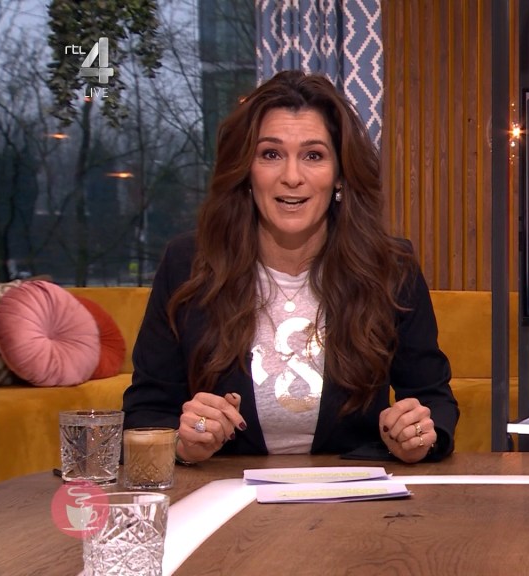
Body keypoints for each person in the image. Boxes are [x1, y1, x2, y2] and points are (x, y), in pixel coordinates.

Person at [123, 70, 458, 464]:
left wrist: (417, 436)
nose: (292, 177)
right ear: (247, 172)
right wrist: (184, 444)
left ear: (339, 175)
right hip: (225, 489)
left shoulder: (390, 267)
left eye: (313, 156)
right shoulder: (188, 265)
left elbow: (432, 399)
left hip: (353, 491)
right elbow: (146, 411)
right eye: (271, 154)